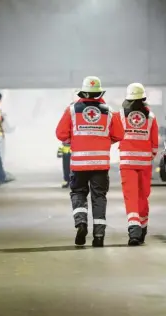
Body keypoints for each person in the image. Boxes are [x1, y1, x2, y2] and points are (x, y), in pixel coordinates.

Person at [56, 76, 125, 247]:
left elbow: (61, 134)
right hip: (101, 165)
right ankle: (99, 236)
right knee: (99, 197)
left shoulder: (72, 110)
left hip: (79, 164)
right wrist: (103, 141)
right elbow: (119, 135)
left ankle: (81, 224)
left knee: (78, 193)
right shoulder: (109, 111)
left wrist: (75, 139)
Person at [118, 83, 159, 246]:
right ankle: (142, 228)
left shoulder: (120, 115)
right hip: (144, 163)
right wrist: (148, 157)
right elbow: (155, 144)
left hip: (127, 162)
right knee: (143, 196)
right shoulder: (151, 117)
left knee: (131, 196)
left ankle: (133, 230)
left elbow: (115, 135)